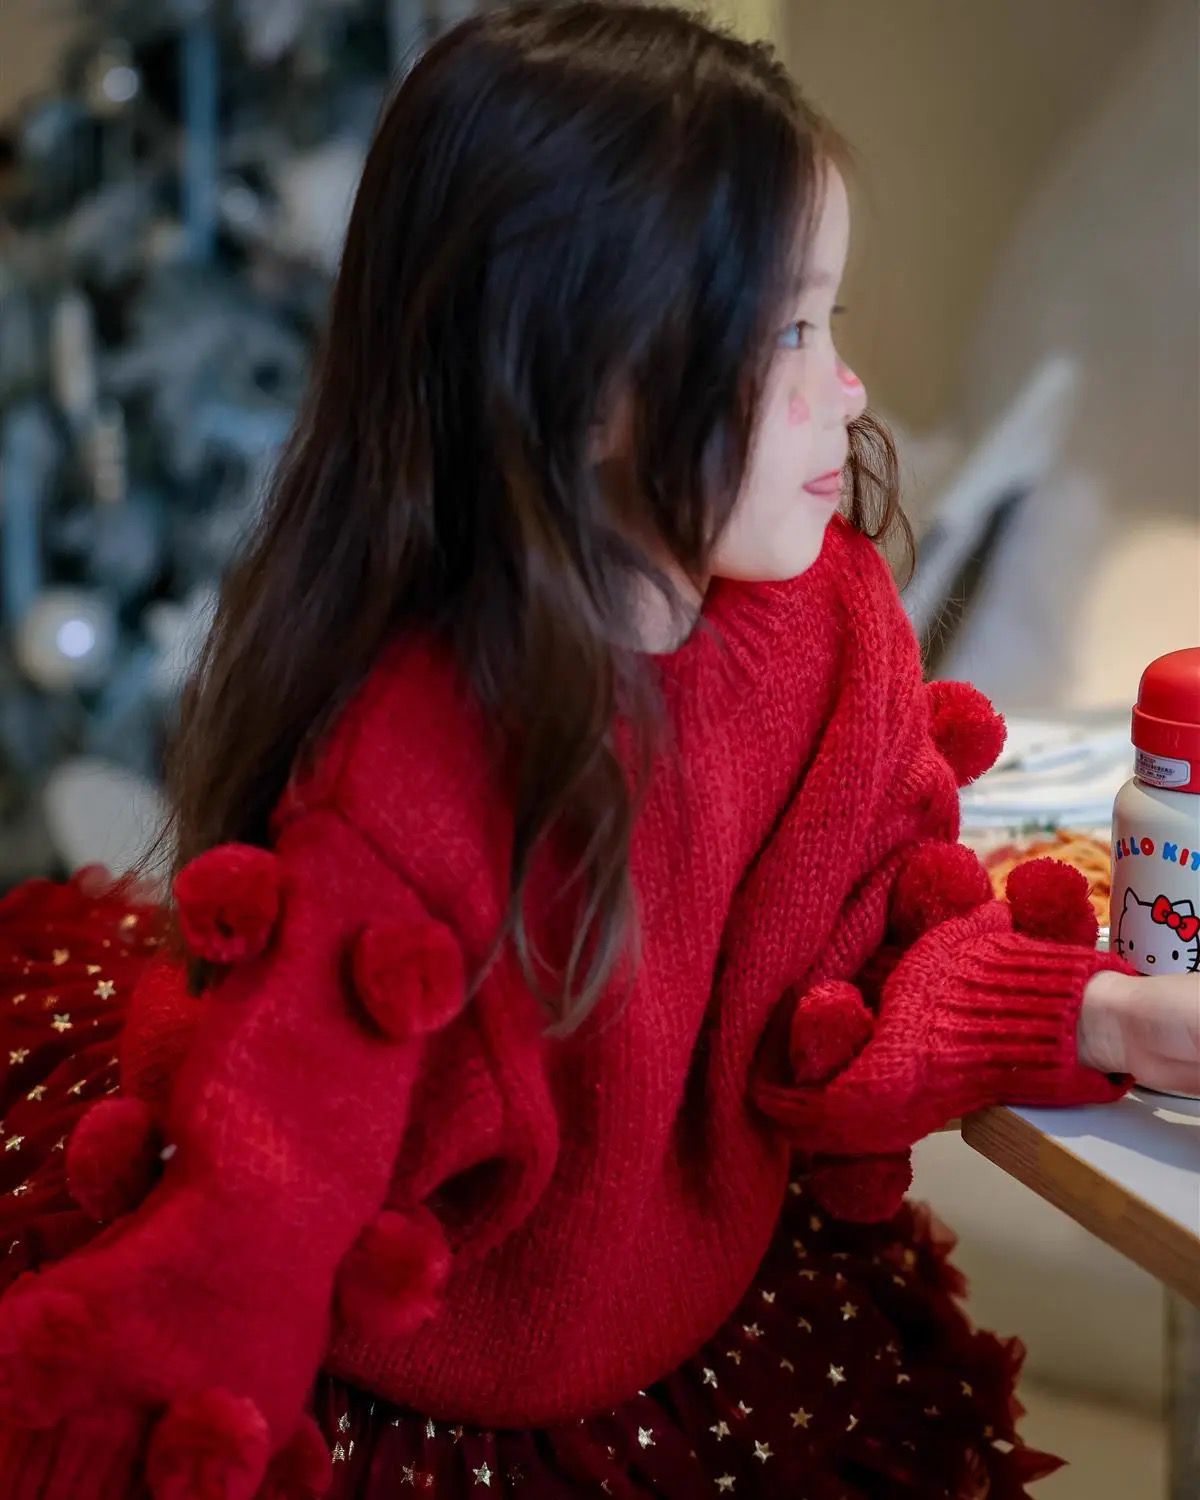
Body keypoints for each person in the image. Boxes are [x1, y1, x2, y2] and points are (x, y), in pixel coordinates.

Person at [0, 5, 1196, 1496]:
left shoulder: (826, 623)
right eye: (790, 332)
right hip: (431, 1391)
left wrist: (1107, 1019)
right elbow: (273, 1177)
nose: (853, 389)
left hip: (694, 1314)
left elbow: (855, 964)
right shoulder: (428, 759)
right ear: (594, 381)